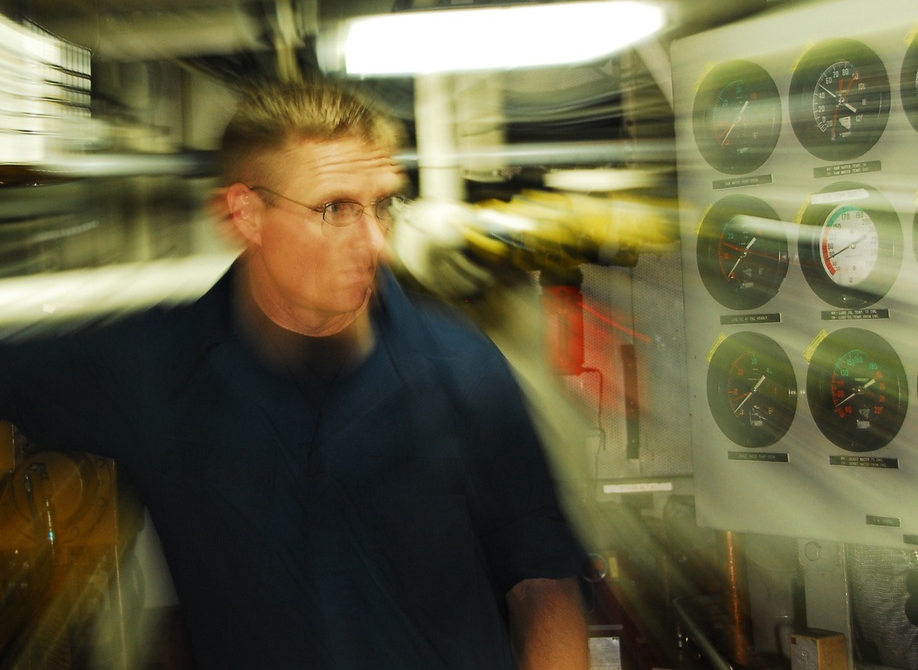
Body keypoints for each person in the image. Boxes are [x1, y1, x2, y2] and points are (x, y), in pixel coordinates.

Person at [0, 80, 589, 668]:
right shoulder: (157, 370)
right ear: (246, 214)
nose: (376, 242)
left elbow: (544, 586)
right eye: (336, 209)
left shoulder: (464, 372)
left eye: (382, 204)